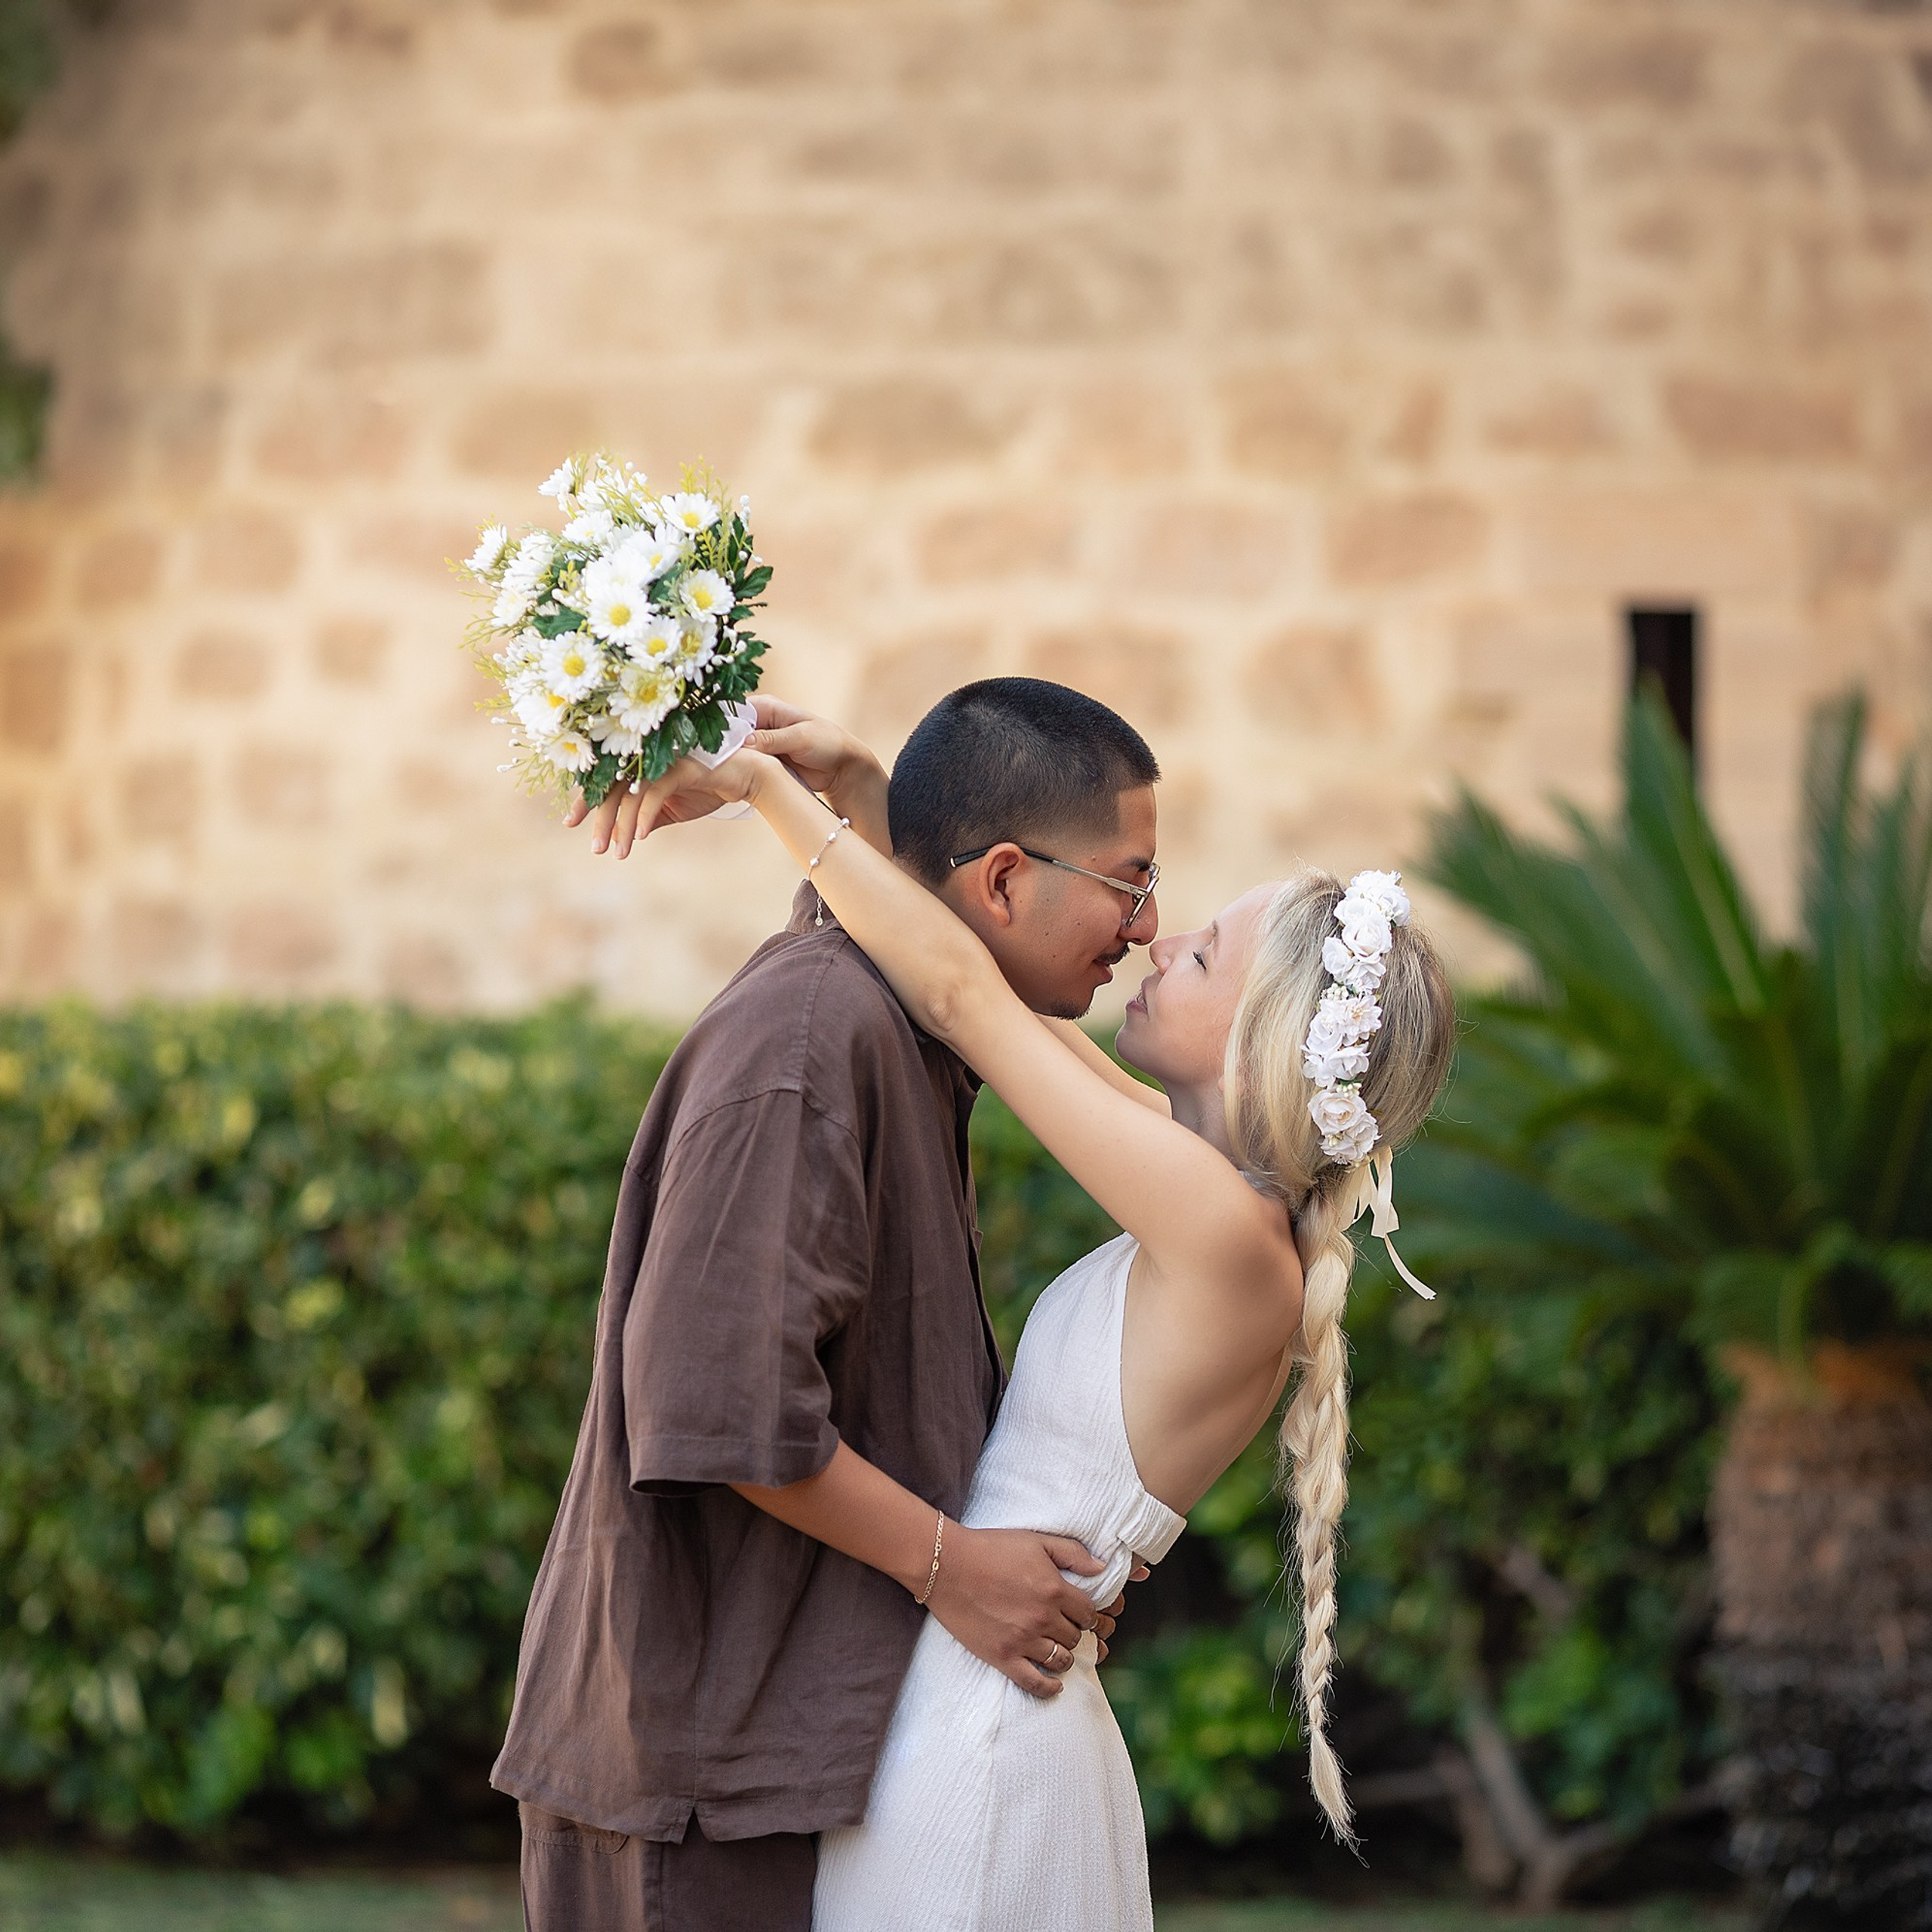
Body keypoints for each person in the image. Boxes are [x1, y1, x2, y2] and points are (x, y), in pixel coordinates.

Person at [607, 702, 1458, 1931]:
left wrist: (763, 795)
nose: (1159, 943)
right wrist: (866, 788)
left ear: (1262, 1044)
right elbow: (971, 966)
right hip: (971, 1692)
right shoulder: (1212, 1202)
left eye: (1203, 956)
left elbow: (961, 992)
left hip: (980, 1727)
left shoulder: (1223, 1238)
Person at [491, 678, 1165, 1932]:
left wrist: (852, 810)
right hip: (696, 1768)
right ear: (1006, 881)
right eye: (1132, 884)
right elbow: (717, 1404)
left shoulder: (914, 1028)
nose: (1146, 926)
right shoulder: (810, 1034)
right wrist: (956, 1568)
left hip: (793, 1752)